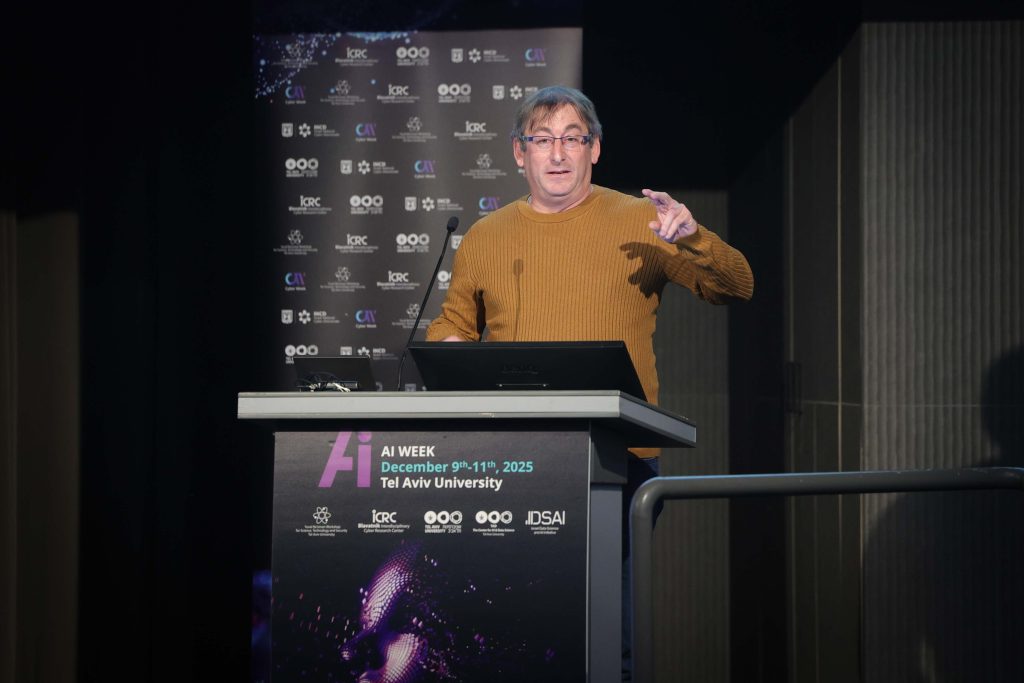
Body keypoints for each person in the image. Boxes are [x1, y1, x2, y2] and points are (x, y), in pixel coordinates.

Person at [425, 85, 754, 680]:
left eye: (572, 139)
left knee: (610, 640)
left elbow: (737, 286)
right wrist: (450, 344)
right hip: (514, 460)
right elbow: (454, 324)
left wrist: (693, 236)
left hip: (616, 461)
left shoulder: (640, 222)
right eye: (542, 139)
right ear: (519, 152)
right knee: (520, 633)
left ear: (595, 149)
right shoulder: (485, 235)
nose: (557, 154)